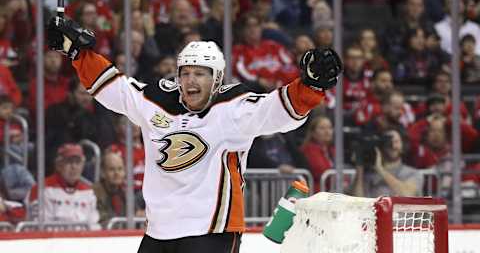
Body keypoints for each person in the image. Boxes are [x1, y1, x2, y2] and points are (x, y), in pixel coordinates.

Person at [47, 15, 342, 253]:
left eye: (200, 73)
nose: (191, 80)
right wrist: (78, 53)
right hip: (159, 232)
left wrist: (311, 86)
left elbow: (279, 111)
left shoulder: (234, 109)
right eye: (186, 73)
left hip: (212, 232)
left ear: (216, 79)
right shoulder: (156, 101)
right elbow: (115, 89)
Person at [28, 143, 100, 229]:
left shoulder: (88, 192)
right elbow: (40, 227)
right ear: (59, 165)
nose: (74, 167)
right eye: (69, 162)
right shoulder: (42, 189)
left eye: (78, 162)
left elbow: (94, 225)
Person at [351, 129, 423, 198]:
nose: (393, 146)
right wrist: (359, 167)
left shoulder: (412, 173)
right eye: (388, 142)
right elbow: (357, 201)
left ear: (403, 145)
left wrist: (381, 169)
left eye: (396, 142)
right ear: (381, 145)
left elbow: (408, 195)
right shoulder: (368, 175)